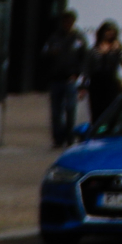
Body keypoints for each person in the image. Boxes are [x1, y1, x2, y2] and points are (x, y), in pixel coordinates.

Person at [42, 11, 88, 146]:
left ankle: (69, 137)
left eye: (70, 22)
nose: (67, 24)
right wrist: (51, 53)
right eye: (65, 22)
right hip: (56, 79)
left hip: (70, 79)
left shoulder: (78, 38)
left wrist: (79, 75)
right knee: (56, 111)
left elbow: (84, 59)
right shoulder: (55, 38)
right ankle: (58, 138)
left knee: (70, 109)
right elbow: (44, 54)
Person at [86, 21, 122, 124]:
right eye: (107, 31)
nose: (109, 34)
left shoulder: (118, 47)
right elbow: (88, 66)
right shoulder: (95, 48)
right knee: (96, 111)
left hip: (111, 81)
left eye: (112, 31)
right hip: (96, 82)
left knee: (110, 111)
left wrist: (118, 51)